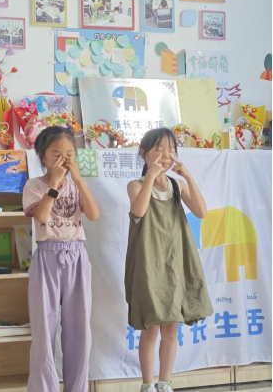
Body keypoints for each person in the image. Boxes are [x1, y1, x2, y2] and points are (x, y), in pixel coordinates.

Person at [125, 129, 214, 392]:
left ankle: (165, 383)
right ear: (143, 153)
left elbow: (201, 211)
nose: (166, 155)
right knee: (150, 329)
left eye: (171, 150)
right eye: (159, 149)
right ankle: (147, 384)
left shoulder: (177, 186)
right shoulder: (136, 185)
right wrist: (151, 177)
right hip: (149, 263)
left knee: (171, 330)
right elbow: (139, 210)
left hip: (176, 263)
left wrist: (187, 176)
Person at [23, 127, 100, 392]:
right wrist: (54, 185)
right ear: (42, 156)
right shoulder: (34, 185)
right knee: (44, 330)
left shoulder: (78, 184)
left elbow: (93, 214)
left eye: (69, 154)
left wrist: (78, 180)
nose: (64, 160)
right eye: (56, 154)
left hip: (77, 255)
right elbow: (41, 216)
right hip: (47, 256)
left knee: (79, 330)